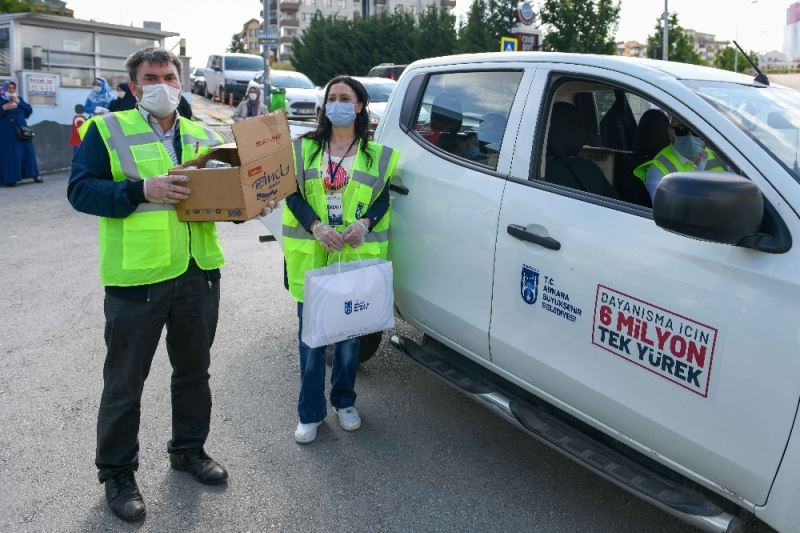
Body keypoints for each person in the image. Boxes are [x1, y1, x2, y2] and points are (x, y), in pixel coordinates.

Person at [68, 47, 229, 523]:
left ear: (182, 82)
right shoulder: (107, 130)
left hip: (197, 271)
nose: (162, 85)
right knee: (124, 383)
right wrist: (141, 189)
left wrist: (247, 204)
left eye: (170, 76)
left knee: (194, 372)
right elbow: (80, 190)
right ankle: (118, 473)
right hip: (137, 277)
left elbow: (223, 194)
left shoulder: (203, 134)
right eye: (152, 77)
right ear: (135, 86)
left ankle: (188, 449)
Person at [282, 75, 399, 444]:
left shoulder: (376, 155)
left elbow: (382, 199)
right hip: (313, 258)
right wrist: (316, 227)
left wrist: (365, 224)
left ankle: (345, 402)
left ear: (360, 105)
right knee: (311, 341)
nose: (337, 104)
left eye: (345, 98)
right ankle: (310, 413)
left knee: (349, 339)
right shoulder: (304, 148)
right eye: (331, 97)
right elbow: (291, 194)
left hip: (353, 258)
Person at [634, 116, 726, 202]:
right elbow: (665, 210)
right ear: (670, 132)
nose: (690, 136)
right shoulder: (658, 170)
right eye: (681, 130)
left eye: (696, 130)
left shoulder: (723, 157)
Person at [0, 80, 41, 186]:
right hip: (7, 133)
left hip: (23, 131)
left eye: (13, 88)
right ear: (3, 88)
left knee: (28, 152)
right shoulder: (1, 99)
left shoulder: (19, 99)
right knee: (11, 155)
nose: (11, 90)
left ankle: (34, 175)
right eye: (9, 88)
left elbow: (28, 111)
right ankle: (11, 179)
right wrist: (3, 108)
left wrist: (19, 102)